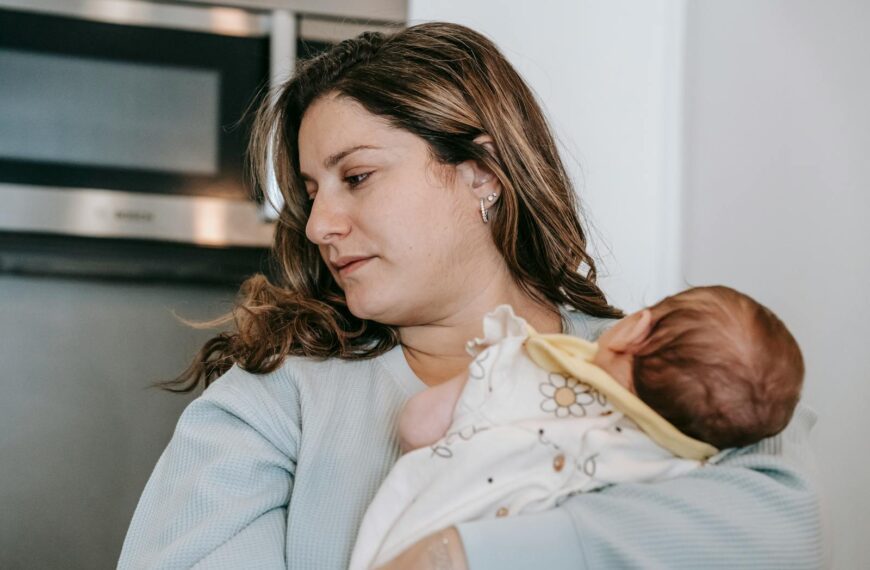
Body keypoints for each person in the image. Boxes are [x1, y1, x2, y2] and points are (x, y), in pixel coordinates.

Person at [117, 22, 822, 570]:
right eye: (310, 192)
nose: (320, 223)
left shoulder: (672, 369)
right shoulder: (274, 403)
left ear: (482, 173)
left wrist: (460, 554)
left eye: (356, 177)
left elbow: (779, 535)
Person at [349, 285, 805, 569]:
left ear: (632, 329)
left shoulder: (524, 366)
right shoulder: (681, 469)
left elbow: (417, 425)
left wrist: (481, 374)